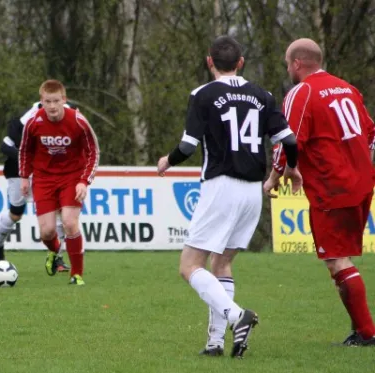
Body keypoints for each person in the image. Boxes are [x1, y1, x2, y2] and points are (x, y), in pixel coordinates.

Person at [157, 36, 301, 358]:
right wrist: (291, 168)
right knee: (221, 263)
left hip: (221, 186)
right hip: (253, 191)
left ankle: (237, 316)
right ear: (241, 62)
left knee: (189, 266)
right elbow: (290, 141)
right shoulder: (263, 95)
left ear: (210, 62)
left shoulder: (203, 95)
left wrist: (167, 161)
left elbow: (188, 147)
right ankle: (214, 344)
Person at [264, 38, 375, 346]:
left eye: (288, 64)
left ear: (297, 63)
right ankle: (360, 332)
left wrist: (275, 176)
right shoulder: (347, 88)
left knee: (337, 260)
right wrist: (359, 163)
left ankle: (367, 334)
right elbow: (371, 132)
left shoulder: (302, 92)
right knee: (342, 258)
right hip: (363, 181)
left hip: (333, 186)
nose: (288, 69)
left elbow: (289, 139)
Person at [18, 79, 100, 285]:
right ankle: (55, 251)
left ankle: (76, 274)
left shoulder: (78, 120)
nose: (52, 106)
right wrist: (24, 177)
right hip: (44, 178)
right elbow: (25, 150)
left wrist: (84, 181)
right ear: (41, 101)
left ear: (64, 100)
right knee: (46, 231)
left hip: (71, 176)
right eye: (48, 101)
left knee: (70, 223)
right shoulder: (33, 122)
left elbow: (93, 152)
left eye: (56, 101)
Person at [0, 101, 76, 273]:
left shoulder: (69, 116)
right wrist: (27, 160)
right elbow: (5, 146)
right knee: (15, 214)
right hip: (18, 170)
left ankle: (56, 257)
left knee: (60, 212)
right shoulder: (25, 123)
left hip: (46, 173)